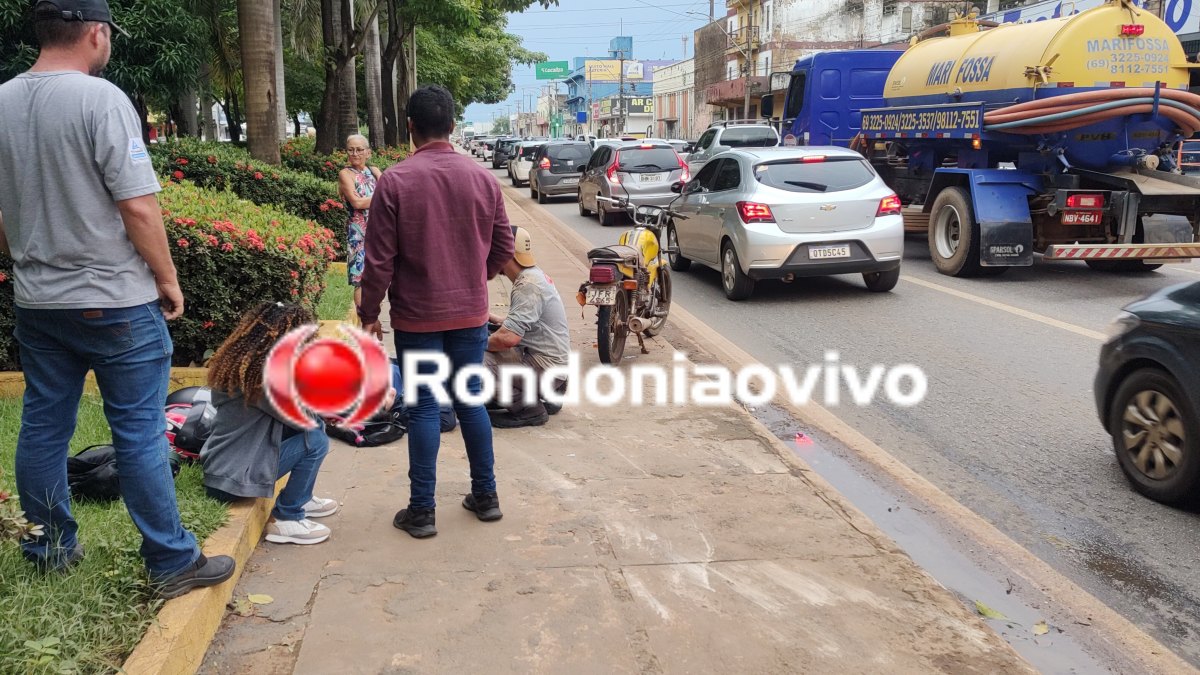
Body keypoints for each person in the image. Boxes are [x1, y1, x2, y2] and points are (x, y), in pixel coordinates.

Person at [0, 0, 234, 597]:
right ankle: (170, 560)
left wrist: (24, 257)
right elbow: (137, 204)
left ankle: (48, 545)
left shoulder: (1, 101)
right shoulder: (100, 99)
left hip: (37, 300)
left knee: (44, 424)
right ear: (97, 35)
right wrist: (168, 278)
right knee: (136, 429)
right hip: (114, 299)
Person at [358, 85, 515, 539]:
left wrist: (370, 311)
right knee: (470, 401)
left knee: (425, 408)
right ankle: (486, 497)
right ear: (451, 125)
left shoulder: (395, 181)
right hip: (469, 316)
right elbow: (504, 246)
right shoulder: (483, 179)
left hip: (416, 317)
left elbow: (379, 259)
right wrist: (471, 278)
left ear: (410, 128)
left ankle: (422, 511)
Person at [200, 302, 394, 545]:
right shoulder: (262, 380)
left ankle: (302, 496)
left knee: (314, 428)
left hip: (229, 466)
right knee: (314, 440)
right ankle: (286, 518)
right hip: (232, 480)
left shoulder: (253, 368)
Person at [485, 227, 571, 429]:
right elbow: (526, 321)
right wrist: (490, 318)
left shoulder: (528, 285)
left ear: (505, 253)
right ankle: (543, 394)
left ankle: (528, 409)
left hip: (545, 367)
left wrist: (473, 343)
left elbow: (509, 339)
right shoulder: (534, 275)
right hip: (551, 364)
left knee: (473, 361)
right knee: (488, 341)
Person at [337, 134, 382, 311]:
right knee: (360, 280)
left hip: (379, 231)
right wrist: (382, 196)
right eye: (351, 149)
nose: (355, 153)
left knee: (378, 278)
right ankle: (365, 324)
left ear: (368, 153)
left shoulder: (375, 171)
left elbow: (391, 194)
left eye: (359, 149)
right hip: (358, 233)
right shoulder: (345, 174)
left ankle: (375, 320)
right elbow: (357, 203)